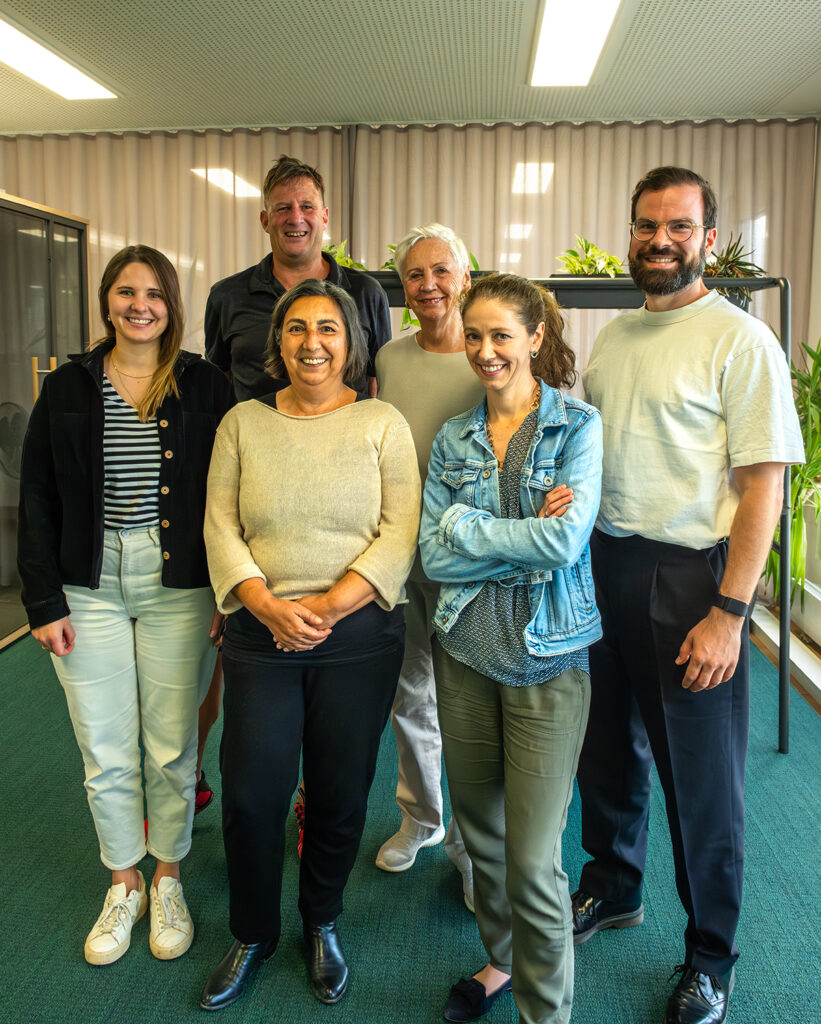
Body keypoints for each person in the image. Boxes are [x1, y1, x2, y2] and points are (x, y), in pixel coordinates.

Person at [576, 166, 804, 1024]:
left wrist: (730, 612)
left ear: (708, 239)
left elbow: (763, 488)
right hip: (606, 567)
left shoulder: (740, 341)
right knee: (608, 754)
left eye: (678, 227)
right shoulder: (615, 338)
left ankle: (711, 956)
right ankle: (612, 887)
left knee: (700, 781)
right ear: (630, 233)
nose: (659, 240)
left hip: (693, 582)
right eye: (645, 225)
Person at [200, 279, 420, 1011]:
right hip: (260, 635)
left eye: (327, 328)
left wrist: (325, 606)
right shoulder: (242, 423)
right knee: (253, 792)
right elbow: (220, 525)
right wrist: (261, 602)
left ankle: (320, 923)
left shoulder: (382, 422)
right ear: (278, 342)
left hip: (356, 636)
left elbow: (399, 531)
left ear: (350, 342)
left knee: (336, 793)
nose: (311, 343)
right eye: (296, 329)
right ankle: (253, 931)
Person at [17, 244, 234, 966]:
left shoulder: (206, 384)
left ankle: (168, 875)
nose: (140, 305)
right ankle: (123, 883)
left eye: (154, 294)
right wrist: (42, 600)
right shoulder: (69, 385)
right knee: (104, 747)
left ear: (172, 305)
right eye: (125, 292)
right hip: (87, 581)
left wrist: (226, 592)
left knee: (172, 746)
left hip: (180, 582)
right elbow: (39, 495)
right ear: (106, 301)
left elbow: (232, 495)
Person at [420, 273, 602, 1024]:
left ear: (533, 338)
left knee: (533, 863)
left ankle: (545, 1014)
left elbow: (564, 543)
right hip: (463, 658)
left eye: (501, 335)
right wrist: (503, 540)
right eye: (474, 336)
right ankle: (500, 961)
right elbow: (432, 559)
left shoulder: (576, 427)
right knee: (481, 843)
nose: (486, 351)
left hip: (546, 664)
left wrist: (467, 528)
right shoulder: (453, 436)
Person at [374, 223, 484, 904]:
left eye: (440, 272)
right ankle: (420, 817)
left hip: (470, 559)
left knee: (469, 705)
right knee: (408, 694)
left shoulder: (488, 352)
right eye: (414, 276)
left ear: (464, 278)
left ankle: (473, 848)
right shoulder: (388, 357)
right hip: (398, 553)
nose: (428, 286)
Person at [204, 153, 390, 399]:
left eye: (306, 207)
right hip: (255, 436)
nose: (295, 218)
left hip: (348, 437)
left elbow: (377, 380)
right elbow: (218, 384)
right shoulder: (226, 297)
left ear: (324, 217)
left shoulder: (366, 292)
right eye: (283, 208)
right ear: (265, 220)